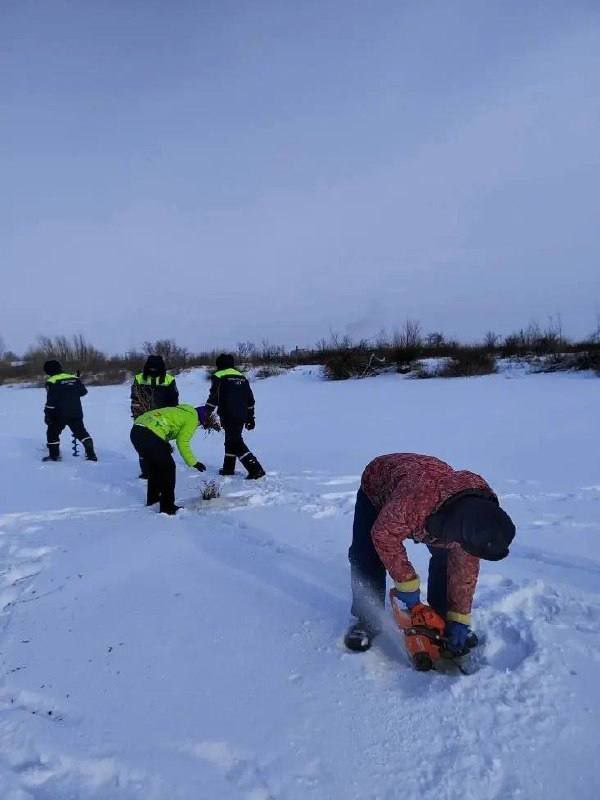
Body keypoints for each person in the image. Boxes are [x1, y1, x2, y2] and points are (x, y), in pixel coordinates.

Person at [344, 453, 515, 654]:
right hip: (380, 483)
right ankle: (368, 620)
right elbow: (384, 535)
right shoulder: (414, 502)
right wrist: (407, 585)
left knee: (448, 557)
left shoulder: (480, 520)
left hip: (431, 485)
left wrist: (459, 617)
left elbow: (464, 568)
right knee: (366, 555)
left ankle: (442, 617)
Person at [130, 404, 206, 515]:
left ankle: (153, 499)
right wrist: (193, 462)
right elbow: (182, 442)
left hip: (136, 430)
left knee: (154, 466)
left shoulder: (180, 411)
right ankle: (167, 506)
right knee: (168, 468)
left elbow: (166, 426)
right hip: (150, 434)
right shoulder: (192, 418)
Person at [205, 354, 265, 479]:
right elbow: (250, 399)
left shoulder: (219, 376)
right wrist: (250, 418)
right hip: (241, 414)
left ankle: (255, 469)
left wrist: (206, 412)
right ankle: (228, 468)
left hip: (228, 414)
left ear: (219, 365)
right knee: (230, 440)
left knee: (235, 442)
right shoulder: (242, 377)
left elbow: (214, 397)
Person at [130, 355, 179, 478]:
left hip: (162, 420)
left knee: (161, 445)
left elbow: (173, 402)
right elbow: (135, 399)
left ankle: (161, 469)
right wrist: (137, 416)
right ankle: (147, 472)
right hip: (143, 419)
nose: (153, 371)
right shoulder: (139, 378)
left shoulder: (169, 379)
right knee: (143, 446)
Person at [42, 360, 97, 462]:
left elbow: (51, 400)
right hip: (76, 412)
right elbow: (83, 392)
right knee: (81, 433)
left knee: (52, 433)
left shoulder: (52, 381)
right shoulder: (74, 378)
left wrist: (47, 414)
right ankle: (91, 454)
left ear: (48, 370)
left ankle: (54, 456)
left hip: (58, 414)